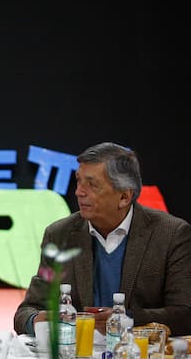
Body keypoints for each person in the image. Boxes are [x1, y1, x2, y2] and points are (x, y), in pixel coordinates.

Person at [14, 141, 191, 337]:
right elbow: (25, 312)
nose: (79, 191)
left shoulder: (171, 234)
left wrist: (126, 319)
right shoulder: (59, 234)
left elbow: (184, 314)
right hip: (76, 358)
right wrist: (37, 320)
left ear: (124, 197)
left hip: (140, 356)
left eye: (92, 184)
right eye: (78, 180)